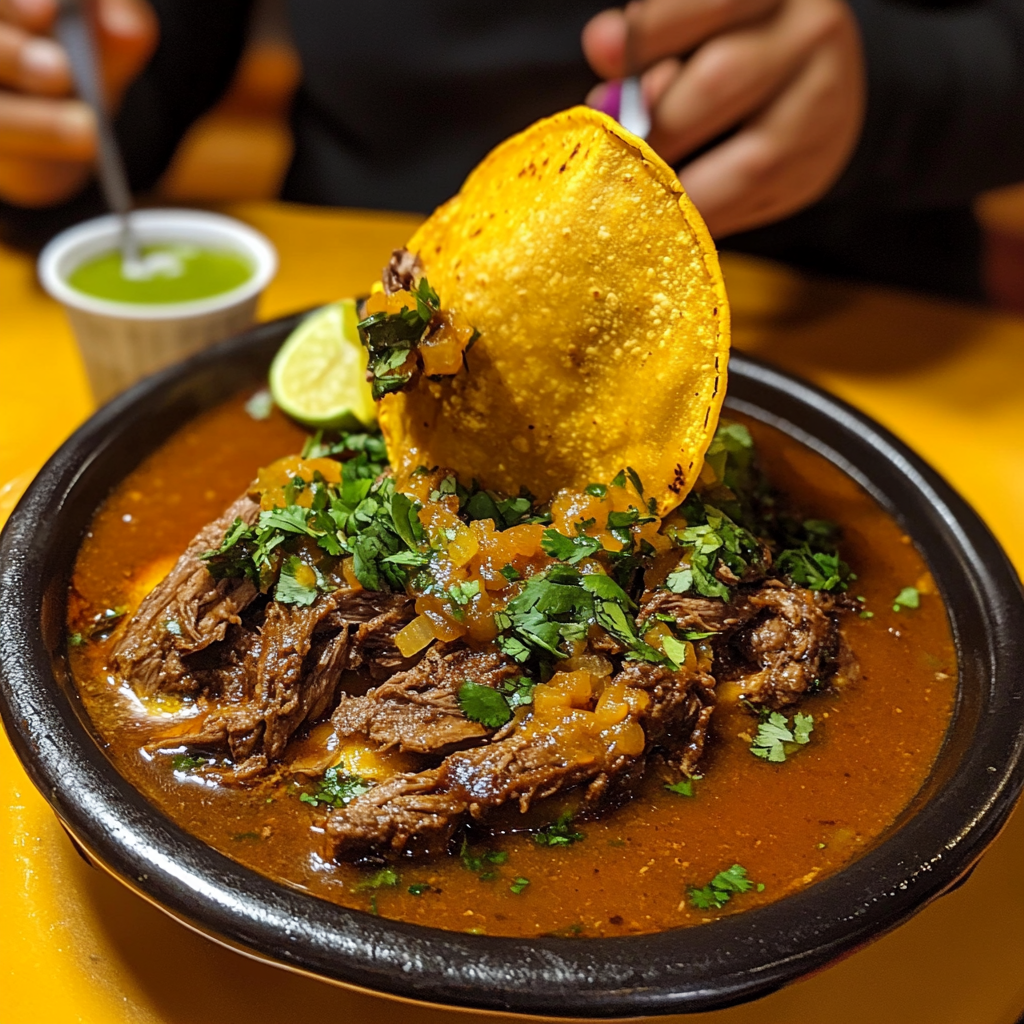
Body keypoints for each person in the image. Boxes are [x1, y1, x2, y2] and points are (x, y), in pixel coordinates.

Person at [0, 0, 1022, 299]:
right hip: (351, 288)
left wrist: (898, 82)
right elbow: (157, 50)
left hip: (846, 309)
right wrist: (57, 107)